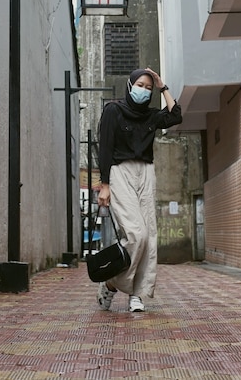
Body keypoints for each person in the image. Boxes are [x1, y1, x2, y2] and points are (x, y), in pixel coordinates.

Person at [96, 67, 182, 312]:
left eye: (148, 87)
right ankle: (111, 284)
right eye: (140, 85)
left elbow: (175, 115)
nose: (144, 90)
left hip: (145, 173)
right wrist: (104, 185)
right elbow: (105, 148)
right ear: (130, 85)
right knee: (137, 235)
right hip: (119, 172)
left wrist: (162, 86)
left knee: (149, 237)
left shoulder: (152, 116)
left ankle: (138, 294)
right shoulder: (113, 110)